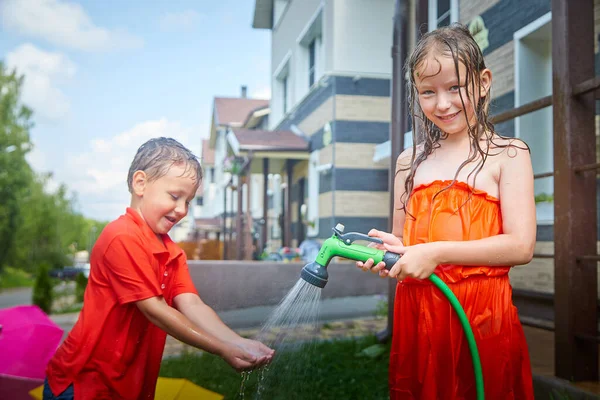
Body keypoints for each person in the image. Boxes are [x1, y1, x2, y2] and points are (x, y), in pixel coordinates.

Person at [357, 24, 535, 399]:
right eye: (428, 92)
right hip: (420, 316)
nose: (442, 104)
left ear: (484, 81)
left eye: (456, 87)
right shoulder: (408, 162)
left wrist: (436, 252)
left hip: (482, 315)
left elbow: (521, 247)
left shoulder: (509, 154)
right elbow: (405, 244)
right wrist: (387, 254)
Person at [44, 137, 274, 400]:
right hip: (84, 383)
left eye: (187, 201)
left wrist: (237, 341)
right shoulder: (122, 237)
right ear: (140, 183)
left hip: (127, 385)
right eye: (175, 196)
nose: (182, 210)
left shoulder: (171, 252)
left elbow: (193, 305)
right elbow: (155, 310)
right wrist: (221, 348)